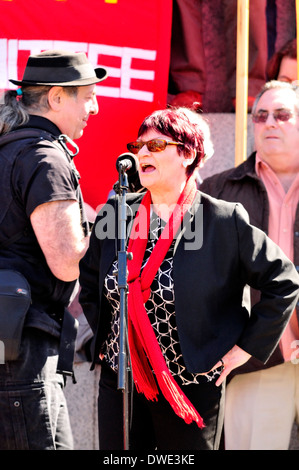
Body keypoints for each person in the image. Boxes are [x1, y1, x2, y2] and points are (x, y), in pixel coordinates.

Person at [79, 106, 299, 450]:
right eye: (138, 146)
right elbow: (92, 281)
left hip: (190, 383)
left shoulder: (223, 220)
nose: (141, 154)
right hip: (122, 381)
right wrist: (107, 339)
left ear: (187, 154)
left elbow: (283, 281)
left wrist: (244, 350)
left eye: (155, 146)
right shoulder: (116, 214)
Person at [0, 50, 107, 450]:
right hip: (22, 350)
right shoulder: (44, 158)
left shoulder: (9, 148)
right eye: (87, 96)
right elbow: (65, 264)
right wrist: (102, 224)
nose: (93, 108)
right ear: (57, 98)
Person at [200, 80, 299, 450]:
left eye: (282, 115)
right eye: (261, 116)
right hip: (254, 360)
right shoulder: (216, 191)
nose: (270, 122)